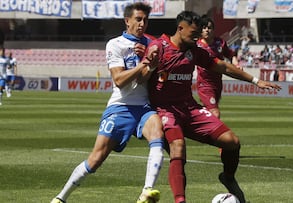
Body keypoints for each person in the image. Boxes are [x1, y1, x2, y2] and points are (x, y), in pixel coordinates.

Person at [145, 11, 281, 203]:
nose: (197, 37)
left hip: (189, 109)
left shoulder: (194, 50)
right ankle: (180, 200)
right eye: (194, 33)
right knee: (178, 147)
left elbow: (223, 66)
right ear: (180, 28)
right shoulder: (159, 47)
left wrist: (256, 80)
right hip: (165, 110)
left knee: (232, 141)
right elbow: (140, 75)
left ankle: (228, 177)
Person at [51, 3, 164, 203]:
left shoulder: (150, 43)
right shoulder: (115, 44)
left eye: (145, 20)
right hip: (120, 107)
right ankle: (61, 198)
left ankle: (147, 190)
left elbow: (142, 79)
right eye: (138, 19)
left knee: (157, 134)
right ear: (127, 20)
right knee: (95, 160)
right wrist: (144, 63)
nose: (142, 24)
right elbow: (119, 81)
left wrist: (151, 63)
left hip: (144, 106)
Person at [196, 15, 237, 118]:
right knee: (215, 113)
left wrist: (236, 64)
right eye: (204, 28)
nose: (207, 30)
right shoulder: (196, 45)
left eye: (209, 28)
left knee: (210, 113)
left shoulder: (220, 43)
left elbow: (231, 55)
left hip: (217, 83)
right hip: (204, 84)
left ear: (213, 30)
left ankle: (200, 126)